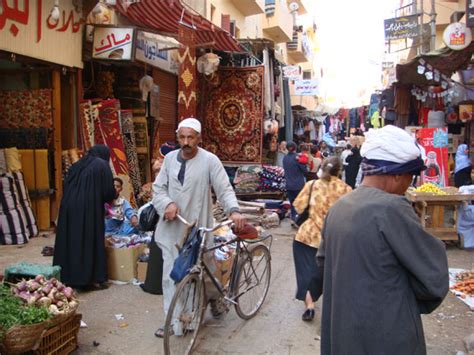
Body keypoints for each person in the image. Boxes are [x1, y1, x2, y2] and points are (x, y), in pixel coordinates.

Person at [317, 125, 449, 355]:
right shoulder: (391, 208)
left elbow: (323, 263)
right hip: (386, 338)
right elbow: (434, 280)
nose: (410, 183)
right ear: (397, 174)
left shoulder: (338, 208)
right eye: (411, 176)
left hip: (342, 336)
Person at [152, 118, 245, 338]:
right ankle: (172, 323)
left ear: (199, 139)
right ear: (178, 138)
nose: (186, 142)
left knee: (197, 275)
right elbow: (158, 189)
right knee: (169, 277)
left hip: (197, 230)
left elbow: (224, 189)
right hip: (171, 229)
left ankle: (191, 320)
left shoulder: (210, 161)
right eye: (182, 137)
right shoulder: (169, 160)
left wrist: (234, 210)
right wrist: (167, 204)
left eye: (190, 137)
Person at [293, 157, 351, 322]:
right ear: (340, 171)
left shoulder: (312, 185)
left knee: (305, 272)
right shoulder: (346, 189)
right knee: (324, 274)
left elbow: (298, 206)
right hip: (332, 239)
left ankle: (310, 307)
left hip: (307, 236)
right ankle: (331, 308)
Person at [53, 145, 116, 290]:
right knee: (88, 240)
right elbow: (108, 192)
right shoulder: (102, 164)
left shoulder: (77, 165)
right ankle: (88, 279)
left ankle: (68, 277)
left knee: (71, 240)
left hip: (68, 206)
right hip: (88, 207)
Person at [283, 141, 307, 223]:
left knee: (292, 203)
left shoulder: (285, 158)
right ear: (295, 148)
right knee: (300, 204)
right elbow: (304, 170)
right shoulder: (298, 158)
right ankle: (298, 220)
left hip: (289, 185)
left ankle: (294, 218)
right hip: (298, 185)